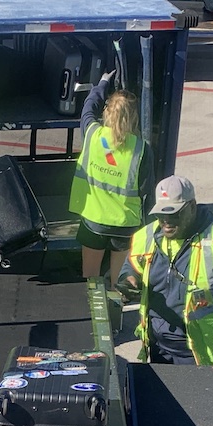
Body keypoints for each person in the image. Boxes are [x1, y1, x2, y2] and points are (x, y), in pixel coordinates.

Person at [117, 175, 213, 380]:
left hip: (207, 356)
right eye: (160, 214)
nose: (166, 222)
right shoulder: (147, 236)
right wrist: (129, 280)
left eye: (174, 214)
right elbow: (131, 268)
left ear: (192, 206)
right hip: (159, 348)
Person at [69, 72, 153, 283]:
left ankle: (93, 312)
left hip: (94, 221)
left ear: (107, 112)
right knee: (119, 280)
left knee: (91, 276)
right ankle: (117, 309)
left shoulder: (92, 134)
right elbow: (146, 191)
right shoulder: (141, 149)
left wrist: (102, 83)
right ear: (134, 117)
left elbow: (88, 107)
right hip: (125, 224)